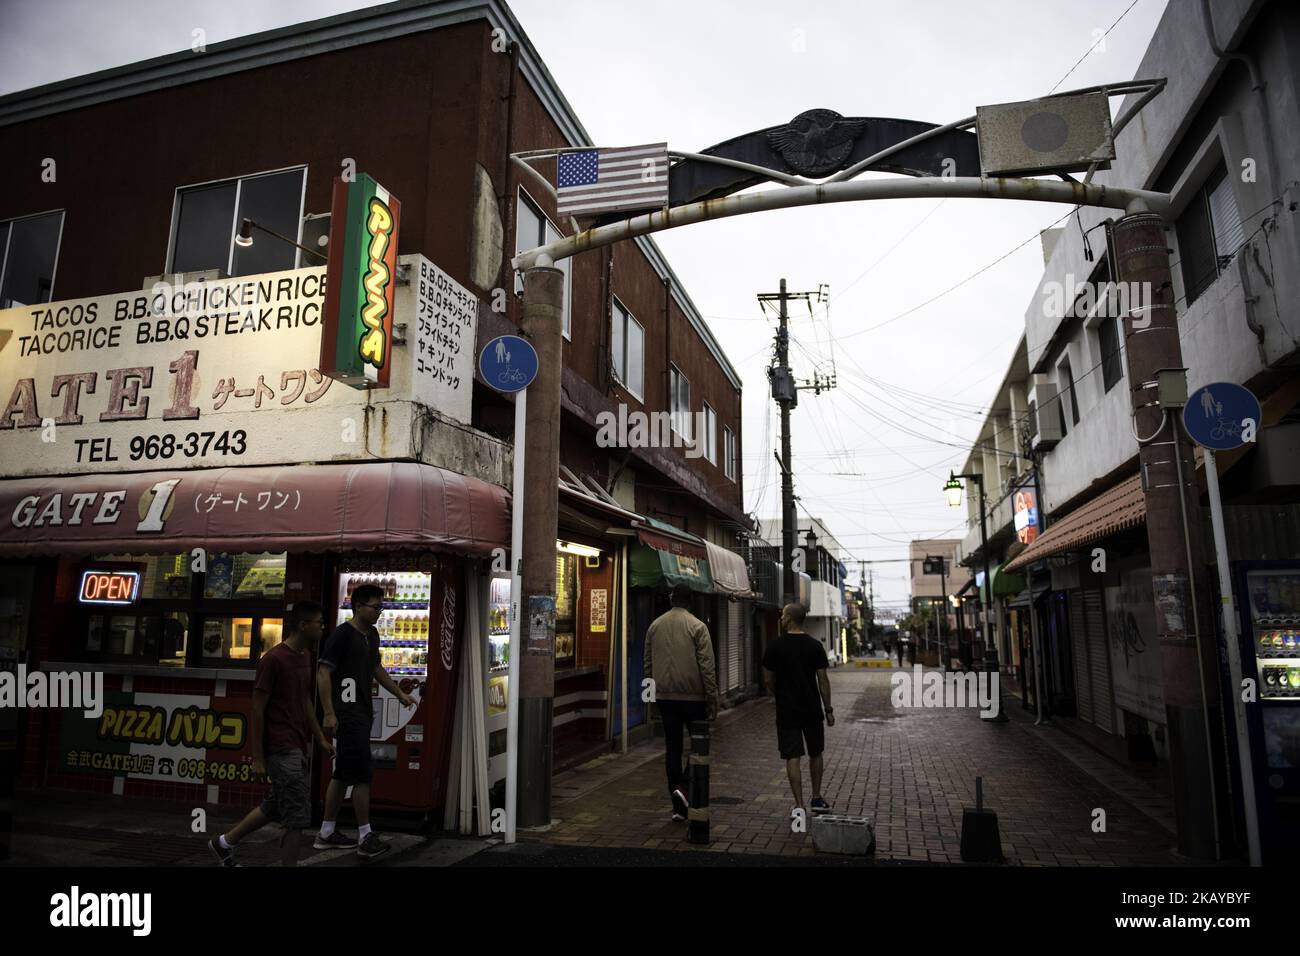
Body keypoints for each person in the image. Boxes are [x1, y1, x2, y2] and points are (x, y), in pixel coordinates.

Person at [208, 601, 333, 866]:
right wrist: (258, 757)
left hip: (297, 744)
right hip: (280, 746)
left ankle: (224, 843)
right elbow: (257, 709)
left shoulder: (305, 656)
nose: (322, 627)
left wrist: (319, 737)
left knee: (275, 805)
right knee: (298, 816)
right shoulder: (273, 660)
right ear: (302, 625)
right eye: (318, 622)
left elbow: (305, 701)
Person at [314, 584, 416, 858]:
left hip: (363, 711)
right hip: (348, 714)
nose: (379, 612)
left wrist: (399, 694)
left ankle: (326, 831)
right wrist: (329, 712)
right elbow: (323, 673)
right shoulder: (341, 635)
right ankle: (364, 835)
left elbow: (376, 668)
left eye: (381, 607)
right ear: (358, 606)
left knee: (343, 773)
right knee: (362, 775)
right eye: (375, 606)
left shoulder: (371, 634)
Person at [643, 584, 718, 822]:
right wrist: (712, 696)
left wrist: (651, 697)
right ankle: (684, 788)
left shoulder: (655, 625)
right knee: (698, 747)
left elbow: (647, 664)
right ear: (691, 601)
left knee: (672, 747)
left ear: (672, 599)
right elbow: (707, 665)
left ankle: (677, 803)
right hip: (693, 697)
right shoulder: (697, 626)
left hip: (665, 697)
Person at [762, 603, 834, 816]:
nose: (781, 618)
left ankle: (799, 805)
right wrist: (828, 709)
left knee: (792, 756)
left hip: (787, 709)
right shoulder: (814, 646)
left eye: (783, 615)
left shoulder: (775, 646)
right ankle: (817, 797)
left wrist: (780, 694)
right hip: (812, 708)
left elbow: (768, 679)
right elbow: (823, 680)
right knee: (816, 752)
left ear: (790, 618)